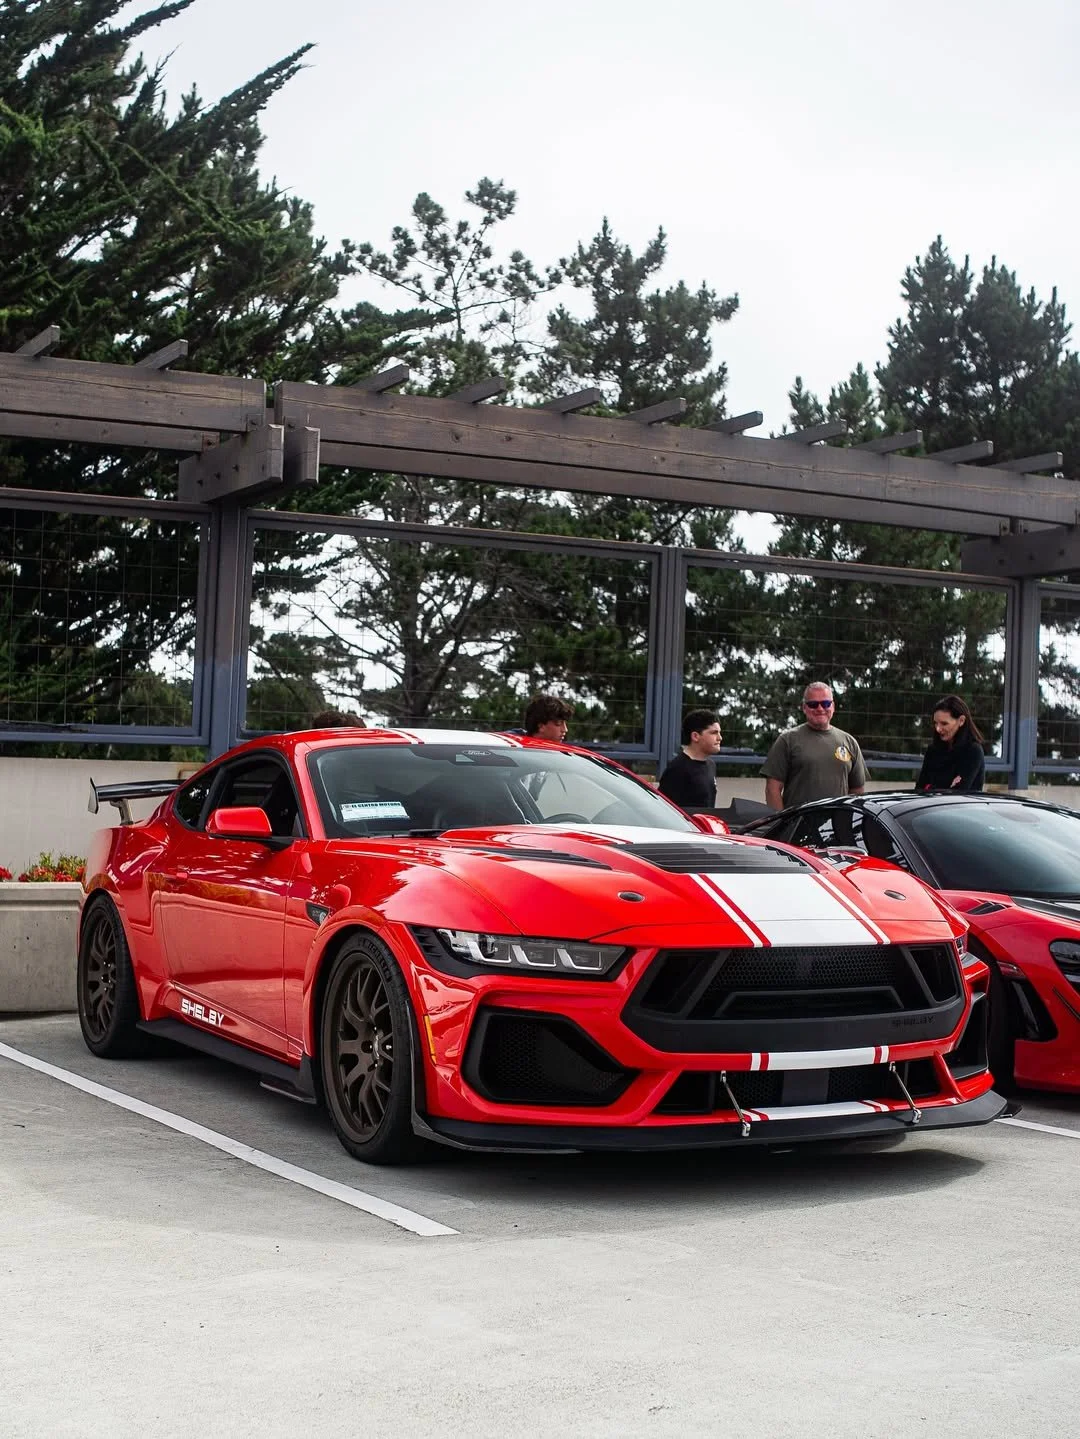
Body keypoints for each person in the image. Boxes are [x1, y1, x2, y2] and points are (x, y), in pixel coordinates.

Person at [762, 682, 867, 810]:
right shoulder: (787, 740)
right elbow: (772, 789)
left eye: (825, 703)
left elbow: (857, 790)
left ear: (833, 706)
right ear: (804, 708)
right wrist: (780, 823)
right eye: (813, 704)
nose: (820, 708)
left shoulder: (849, 742)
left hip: (837, 825)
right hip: (798, 825)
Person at [915, 694, 985, 792]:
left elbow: (958, 793)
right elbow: (920, 789)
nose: (938, 729)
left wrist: (931, 787)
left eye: (944, 723)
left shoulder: (973, 751)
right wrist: (946, 787)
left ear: (961, 721)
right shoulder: (933, 750)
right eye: (935, 723)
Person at [658, 709, 723, 809]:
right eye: (714, 733)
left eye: (719, 733)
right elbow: (664, 808)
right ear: (695, 736)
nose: (720, 738)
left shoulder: (711, 765)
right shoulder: (678, 768)